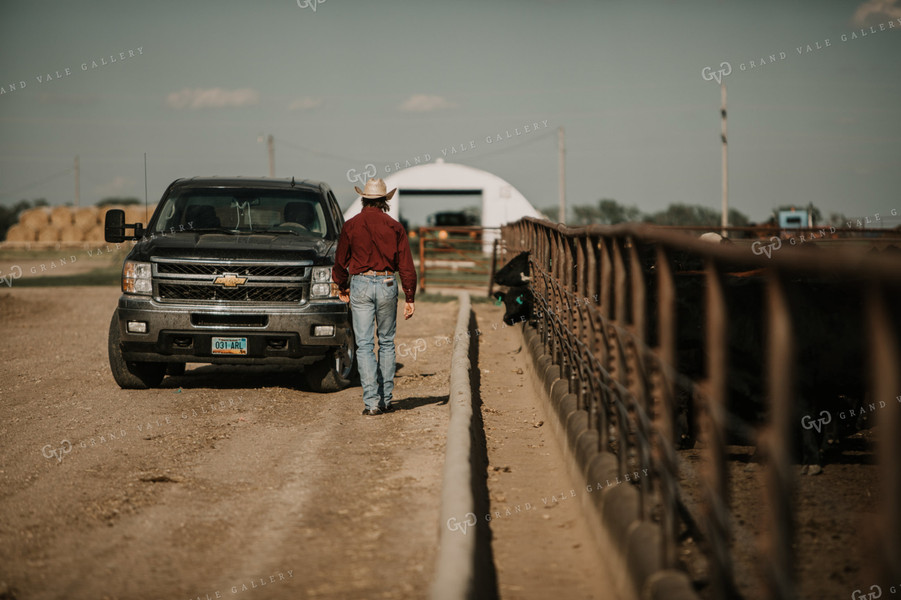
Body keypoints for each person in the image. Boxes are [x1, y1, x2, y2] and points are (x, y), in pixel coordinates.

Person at [333, 178, 417, 416]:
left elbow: (341, 261)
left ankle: (371, 404)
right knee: (387, 342)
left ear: (364, 199)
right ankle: (386, 399)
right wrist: (409, 296)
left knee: (364, 345)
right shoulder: (395, 227)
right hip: (388, 281)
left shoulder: (351, 225)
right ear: (384, 201)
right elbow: (407, 266)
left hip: (359, 284)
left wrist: (342, 285)